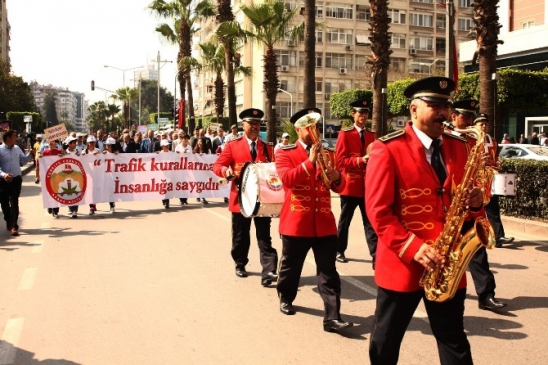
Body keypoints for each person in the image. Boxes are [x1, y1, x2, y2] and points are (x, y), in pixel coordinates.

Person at [366, 77, 483, 364]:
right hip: (403, 263)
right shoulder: (387, 148)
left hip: (447, 265)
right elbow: (378, 211)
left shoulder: (460, 146)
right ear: (414, 109)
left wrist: (477, 204)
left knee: (454, 340)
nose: (443, 112)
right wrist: (412, 247)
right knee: (385, 342)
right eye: (435, 105)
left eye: (446, 106)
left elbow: (464, 203)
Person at [275, 108, 352, 332]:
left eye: (316, 126)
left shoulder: (328, 152)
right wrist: (309, 162)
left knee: (328, 272)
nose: (313, 131)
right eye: (308, 127)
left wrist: (339, 179)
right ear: (298, 130)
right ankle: (286, 297)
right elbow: (287, 180)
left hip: (324, 223)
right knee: (291, 267)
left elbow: (338, 185)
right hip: (297, 223)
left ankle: (332, 317)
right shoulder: (284, 152)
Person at [450, 105, 508, 311]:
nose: (469, 122)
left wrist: (485, 165)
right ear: (454, 117)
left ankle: (486, 295)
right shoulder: (444, 138)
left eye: (471, 118)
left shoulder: (476, 140)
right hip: (447, 204)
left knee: (478, 251)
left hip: (471, 204)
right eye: (465, 117)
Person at [212, 108, 278, 286]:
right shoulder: (233, 146)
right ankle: (240, 263)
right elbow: (217, 165)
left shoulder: (268, 148)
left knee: (264, 236)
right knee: (241, 236)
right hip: (241, 200)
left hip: (263, 201)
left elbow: (274, 170)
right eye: (252, 124)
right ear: (244, 125)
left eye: (257, 124)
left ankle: (269, 271)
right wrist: (226, 170)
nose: (255, 127)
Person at [335, 98, 378, 265]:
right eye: (360, 113)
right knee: (345, 222)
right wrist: (360, 160)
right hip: (350, 186)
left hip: (367, 187)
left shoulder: (372, 135)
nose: (363, 116)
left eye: (366, 113)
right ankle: (339, 250)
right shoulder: (345, 134)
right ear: (353, 114)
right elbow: (340, 162)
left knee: (370, 223)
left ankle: (375, 255)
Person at [473, 114, 515, 249]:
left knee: (493, 208)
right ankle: (477, 237)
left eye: (485, 124)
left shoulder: (493, 141)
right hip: (475, 181)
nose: (484, 126)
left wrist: (497, 164)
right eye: (481, 124)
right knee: (475, 210)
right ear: (475, 126)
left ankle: (498, 237)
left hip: (490, 180)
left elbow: (495, 157)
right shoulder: (470, 140)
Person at [0, 130, 34, 236]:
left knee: (14, 202)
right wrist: (3, 175)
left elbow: (23, 161)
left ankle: (14, 226)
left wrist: (30, 154)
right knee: (4, 203)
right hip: (3, 181)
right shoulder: (0, 150)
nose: (17, 138)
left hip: (16, 179)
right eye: (15, 136)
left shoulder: (17, 148)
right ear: (8, 138)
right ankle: (9, 221)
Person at [40, 139, 65, 218]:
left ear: (55, 143)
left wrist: (63, 154)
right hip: (47, 175)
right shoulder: (45, 152)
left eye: (53, 142)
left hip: (57, 175)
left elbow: (66, 156)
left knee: (56, 191)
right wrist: (40, 157)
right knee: (49, 192)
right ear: (48, 143)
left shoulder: (58, 151)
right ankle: (49, 206)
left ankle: (55, 210)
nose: (51, 143)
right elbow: (40, 161)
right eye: (50, 142)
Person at [82, 135, 100, 215]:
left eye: (93, 142)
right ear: (87, 143)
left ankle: (94, 204)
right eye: (90, 142)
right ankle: (91, 206)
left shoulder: (98, 150)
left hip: (96, 173)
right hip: (88, 174)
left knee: (95, 189)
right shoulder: (84, 152)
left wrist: (99, 154)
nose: (92, 144)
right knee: (89, 190)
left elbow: (105, 156)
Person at [64, 136, 80, 218]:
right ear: (69, 144)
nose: (75, 144)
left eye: (75, 143)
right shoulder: (64, 153)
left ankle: (75, 210)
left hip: (77, 175)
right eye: (73, 143)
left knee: (76, 192)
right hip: (67, 176)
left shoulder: (78, 152)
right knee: (68, 192)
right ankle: (70, 208)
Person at [175, 134, 192, 206]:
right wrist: (183, 153)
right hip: (180, 167)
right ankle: (181, 199)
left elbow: (191, 156)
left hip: (187, 168)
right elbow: (176, 155)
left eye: (187, 139)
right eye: (184, 138)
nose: (185, 140)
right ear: (181, 139)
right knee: (180, 182)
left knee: (186, 183)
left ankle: (185, 199)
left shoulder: (189, 147)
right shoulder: (178, 147)